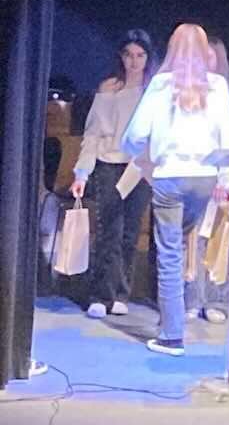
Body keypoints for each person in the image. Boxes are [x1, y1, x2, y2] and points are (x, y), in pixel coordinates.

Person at [121, 24, 229, 356]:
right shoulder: (218, 86)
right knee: (184, 242)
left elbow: (135, 135)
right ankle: (172, 317)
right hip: (204, 179)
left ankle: (172, 334)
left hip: (170, 177)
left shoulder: (160, 85)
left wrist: (137, 156)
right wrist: (226, 180)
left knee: (170, 253)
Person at [71, 29, 158, 319]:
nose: (134, 61)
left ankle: (120, 293)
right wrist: (82, 173)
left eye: (140, 55)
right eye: (129, 55)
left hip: (140, 166)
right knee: (110, 229)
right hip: (109, 162)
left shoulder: (154, 91)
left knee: (130, 232)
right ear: (121, 56)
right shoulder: (109, 88)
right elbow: (93, 133)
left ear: (147, 57)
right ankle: (100, 294)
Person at [184, 34, 229, 324]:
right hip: (197, 176)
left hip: (228, 178)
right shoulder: (190, 90)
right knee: (194, 240)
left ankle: (216, 300)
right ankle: (192, 299)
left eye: (210, 56)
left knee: (221, 239)